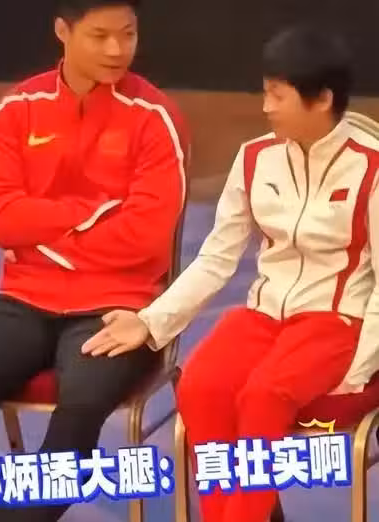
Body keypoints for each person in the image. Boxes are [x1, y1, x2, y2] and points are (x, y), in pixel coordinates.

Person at [82, 25, 378, 522]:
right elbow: (216, 257)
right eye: (265, 92)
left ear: (322, 99)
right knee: (201, 386)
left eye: (277, 96)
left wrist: (360, 373)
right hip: (265, 316)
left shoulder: (371, 167)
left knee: (264, 395)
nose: (265, 107)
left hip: (337, 319)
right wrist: (151, 321)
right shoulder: (256, 158)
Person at [0, 0, 187, 520]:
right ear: (62, 31)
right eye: (100, 35)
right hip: (25, 295)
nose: (117, 49)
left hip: (120, 306)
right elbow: (0, 221)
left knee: (82, 402)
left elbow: (145, 238)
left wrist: (42, 231)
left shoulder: (155, 118)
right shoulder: (15, 111)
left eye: (128, 34)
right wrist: (97, 212)